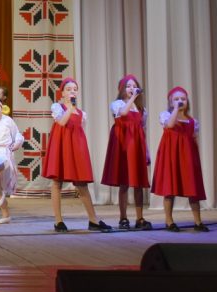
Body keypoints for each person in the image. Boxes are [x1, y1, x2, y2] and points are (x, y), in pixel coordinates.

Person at [42, 78, 112, 233]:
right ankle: (58, 221)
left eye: (74, 89)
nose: (72, 91)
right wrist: (70, 108)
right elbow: (62, 123)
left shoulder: (82, 113)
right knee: (57, 181)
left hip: (75, 147)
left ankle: (93, 220)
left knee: (82, 184)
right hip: (61, 145)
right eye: (68, 89)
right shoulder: (57, 107)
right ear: (62, 93)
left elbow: (79, 131)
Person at [151, 87, 209, 232]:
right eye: (176, 99)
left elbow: (194, 140)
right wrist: (176, 110)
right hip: (171, 156)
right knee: (170, 188)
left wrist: (195, 160)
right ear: (171, 102)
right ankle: (169, 221)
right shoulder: (166, 115)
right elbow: (170, 125)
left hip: (187, 156)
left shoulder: (192, 121)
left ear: (187, 101)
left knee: (192, 188)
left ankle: (198, 221)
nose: (180, 101)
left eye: (183, 99)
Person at [100, 74, 152, 230]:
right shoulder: (117, 104)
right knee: (124, 183)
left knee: (139, 183)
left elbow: (142, 130)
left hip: (137, 147)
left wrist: (146, 151)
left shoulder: (142, 110)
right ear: (122, 89)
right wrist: (133, 98)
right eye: (128, 86)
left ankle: (140, 218)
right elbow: (123, 113)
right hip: (123, 146)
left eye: (134, 86)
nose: (132, 88)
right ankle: (123, 218)